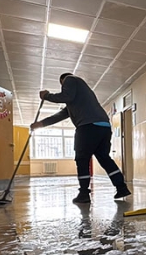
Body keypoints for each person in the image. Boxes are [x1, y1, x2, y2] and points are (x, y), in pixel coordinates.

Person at [30, 73, 131, 204]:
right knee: (104, 158)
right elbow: (61, 114)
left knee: (82, 159)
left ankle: (83, 194)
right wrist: (41, 124)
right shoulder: (79, 99)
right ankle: (121, 187)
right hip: (104, 127)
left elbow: (66, 95)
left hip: (88, 126)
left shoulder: (70, 79)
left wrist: (47, 96)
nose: (64, 87)